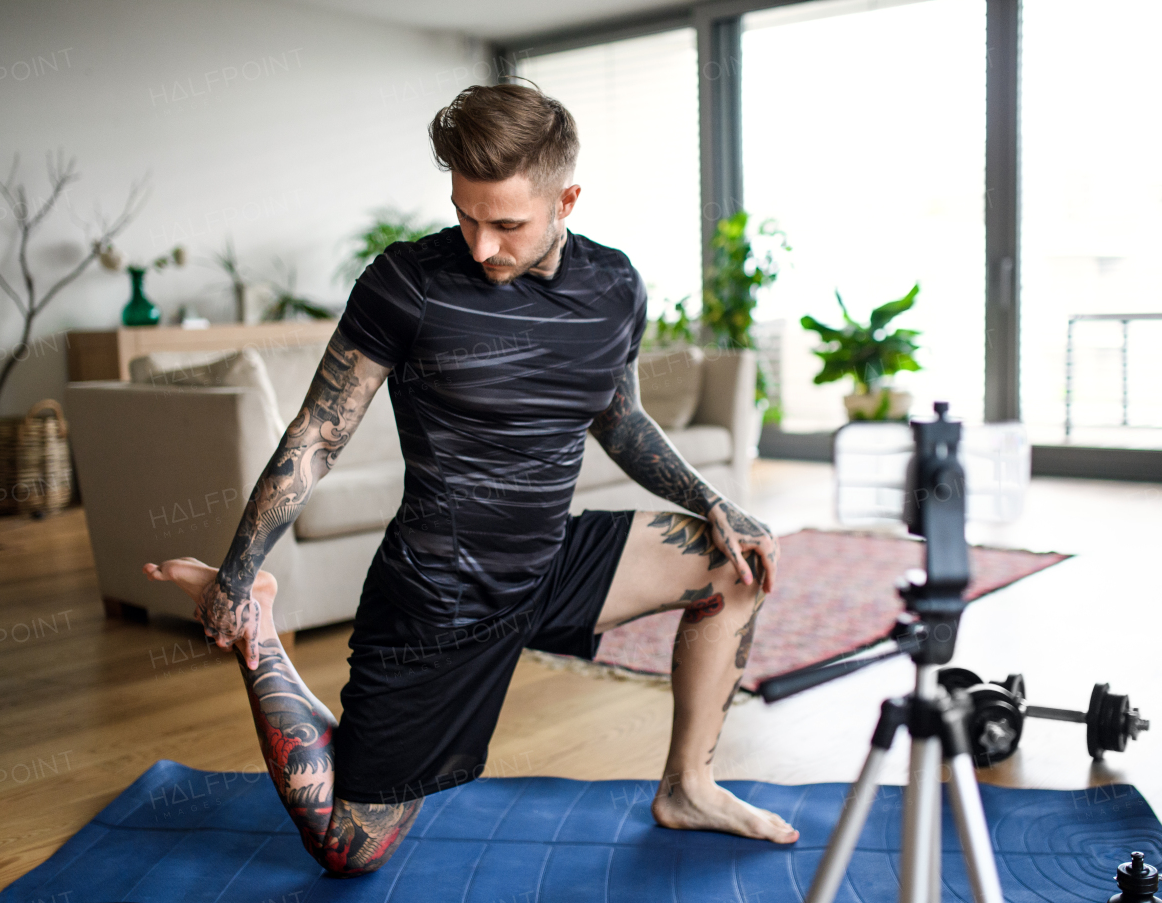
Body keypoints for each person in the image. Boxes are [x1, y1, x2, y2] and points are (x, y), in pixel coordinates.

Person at [144, 83, 794, 878]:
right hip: (438, 596)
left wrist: (713, 500)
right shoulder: (405, 282)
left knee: (738, 561)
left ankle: (689, 785)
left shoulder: (615, 288)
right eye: (465, 215)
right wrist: (238, 577)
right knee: (347, 846)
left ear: (568, 199)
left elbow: (618, 415)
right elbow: (318, 432)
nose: (481, 246)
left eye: (507, 223)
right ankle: (261, 639)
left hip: (550, 557)